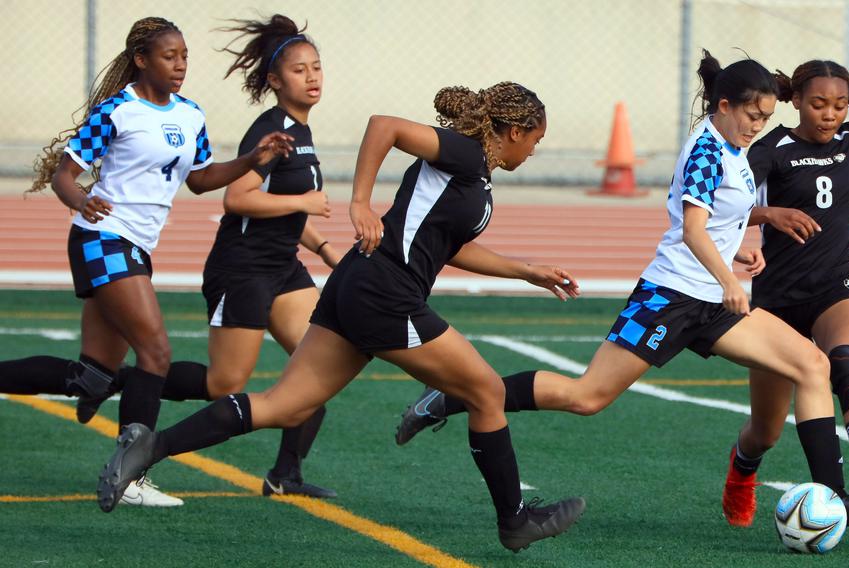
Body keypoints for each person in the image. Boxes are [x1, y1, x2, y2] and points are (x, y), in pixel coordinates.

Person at [395, 51, 849, 526]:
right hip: (668, 299)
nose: (758, 125)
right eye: (752, 114)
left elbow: (709, 223)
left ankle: (833, 500)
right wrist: (729, 277)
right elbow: (691, 230)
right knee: (586, 397)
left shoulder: (735, 149)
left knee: (812, 365)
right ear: (725, 106)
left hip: (712, 302)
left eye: (766, 117)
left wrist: (734, 250)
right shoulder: (708, 149)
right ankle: (451, 398)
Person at [96, 81, 586, 552]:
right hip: (385, 291)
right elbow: (383, 126)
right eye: (536, 141)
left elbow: (447, 248)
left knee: (284, 406)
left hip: (360, 283)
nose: (534, 152)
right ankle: (515, 520)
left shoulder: (473, 173)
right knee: (487, 391)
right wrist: (360, 203)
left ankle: (150, 448)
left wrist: (525, 270)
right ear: (516, 132)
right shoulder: (466, 153)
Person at [0, 16, 293, 507]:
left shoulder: (190, 113)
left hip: (134, 248)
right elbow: (65, 176)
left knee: (93, 375)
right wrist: (80, 201)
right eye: (168, 56)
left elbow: (200, 180)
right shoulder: (117, 111)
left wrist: (252, 160)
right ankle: (130, 477)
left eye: (184, 57)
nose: (179, 66)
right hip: (102, 239)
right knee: (155, 352)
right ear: (141, 60)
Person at [76, 14, 340, 499]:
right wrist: (303, 203)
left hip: (284, 266)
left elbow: (284, 209)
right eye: (301, 70)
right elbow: (237, 199)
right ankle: (130, 385)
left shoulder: (302, 130)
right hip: (244, 267)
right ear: (275, 81)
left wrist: (324, 248)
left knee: (317, 367)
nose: (313, 77)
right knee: (225, 382)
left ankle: (285, 476)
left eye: (317, 67)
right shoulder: (270, 130)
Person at [719, 59, 849, 527]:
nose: (830, 114)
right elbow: (723, 202)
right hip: (778, 302)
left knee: (847, 362)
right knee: (765, 430)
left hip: (836, 285)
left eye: (840, 105)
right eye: (819, 104)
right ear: (796, 100)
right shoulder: (772, 149)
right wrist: (769, 215)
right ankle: (742, 472)